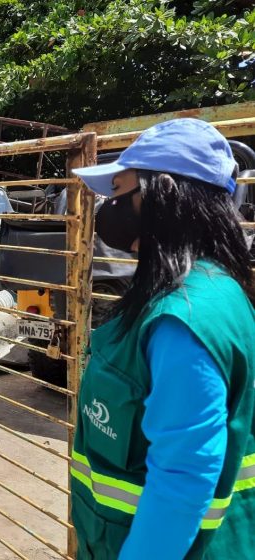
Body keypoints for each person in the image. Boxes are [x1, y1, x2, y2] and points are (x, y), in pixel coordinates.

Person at [69, 118, 255, 559]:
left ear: (163, 193)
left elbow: (182, 480)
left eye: (119, 192)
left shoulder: (185, 318)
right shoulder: (202, 292)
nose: (109, 208)